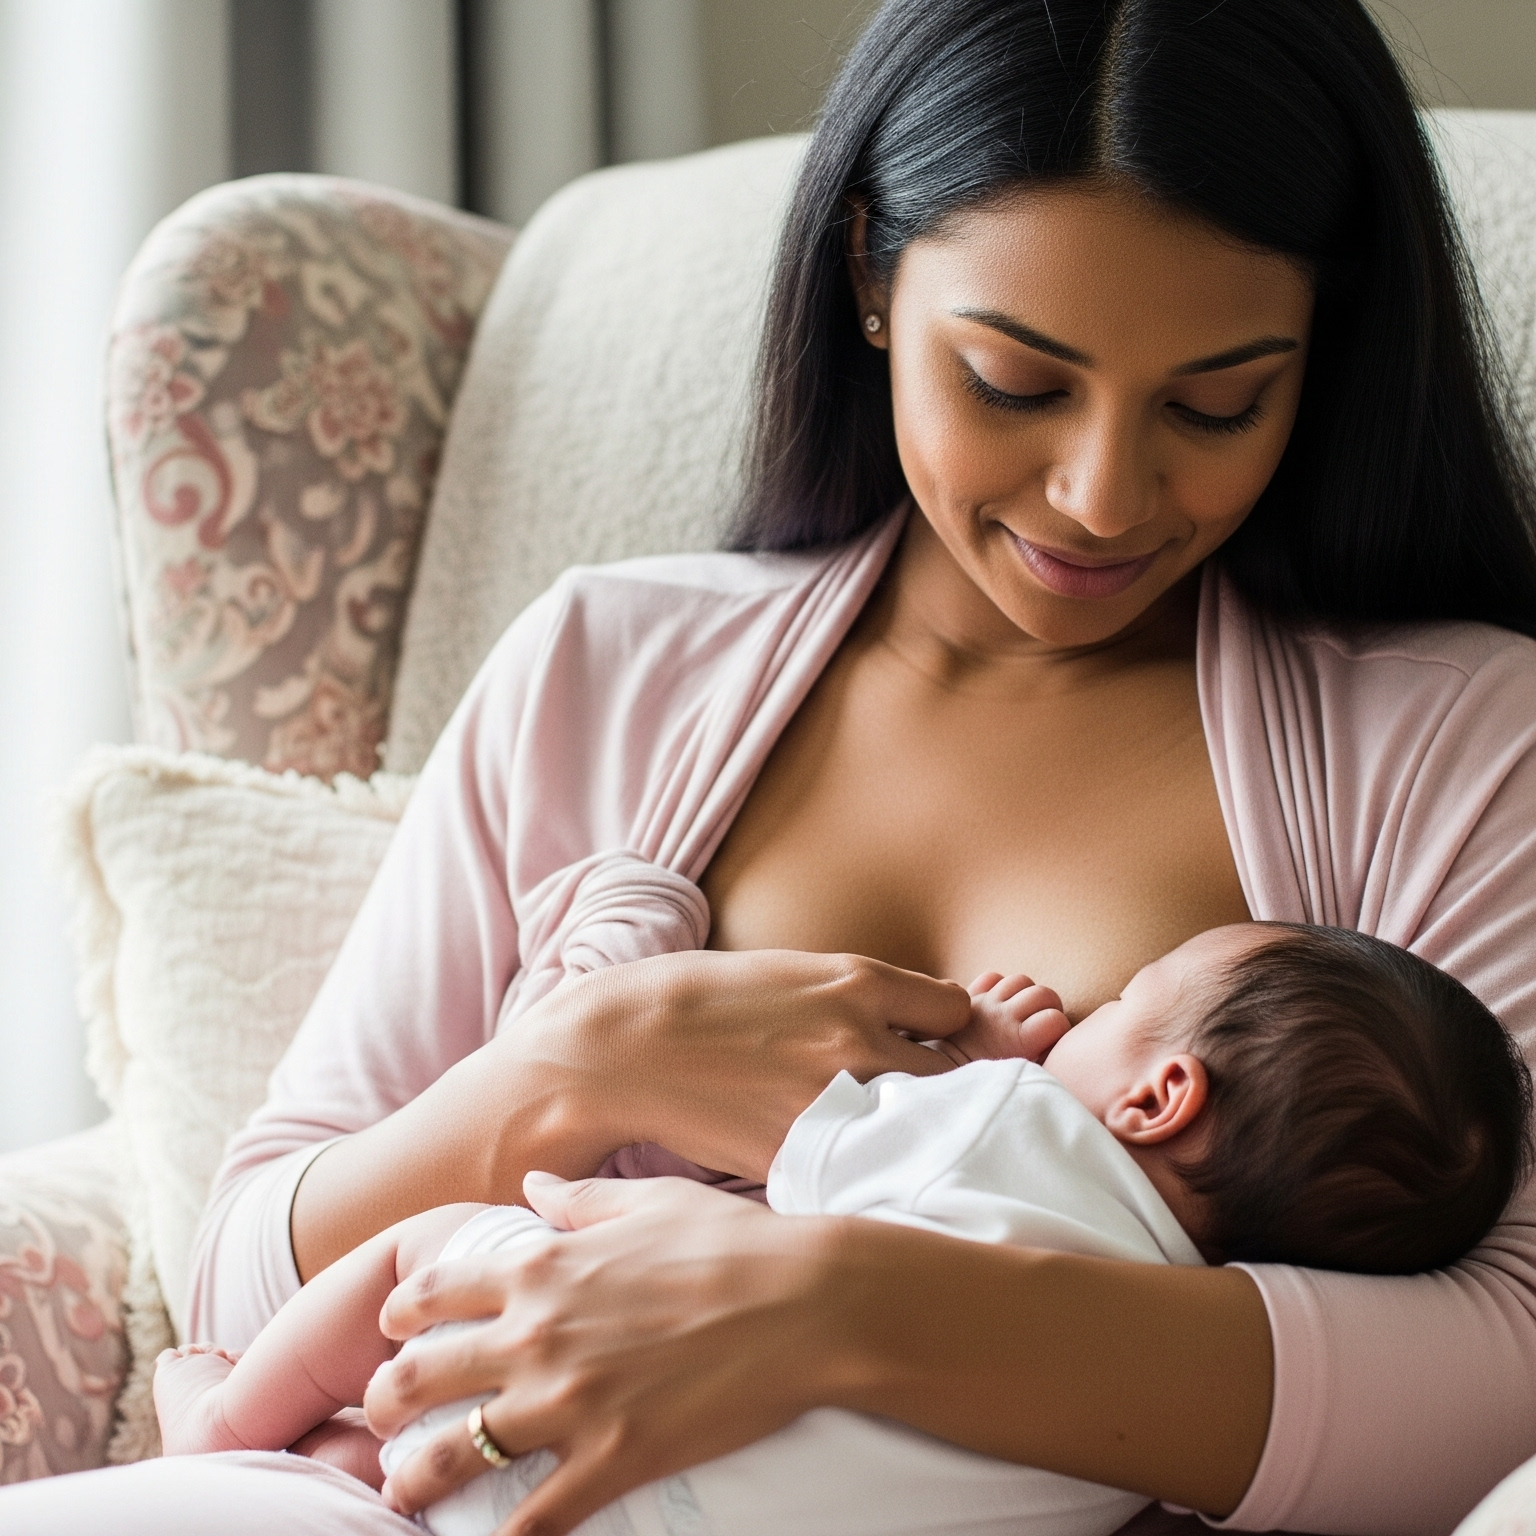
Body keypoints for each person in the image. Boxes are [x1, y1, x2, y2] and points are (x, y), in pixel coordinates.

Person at [8, 0, 1536, 1532]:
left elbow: (1509, 1352)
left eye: (1217, 403)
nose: (1099, 494)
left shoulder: (1460, 744)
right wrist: (574, 1068)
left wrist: (839, 1305)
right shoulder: (603, 667)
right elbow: (241, 1262)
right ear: (871, 272)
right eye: (1015, 383)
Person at [149, 924, 1532, 1536]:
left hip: (543, 1408)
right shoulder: (1151, 1448)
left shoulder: (1009, 1122)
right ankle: (331, 1457)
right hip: (670, 1510)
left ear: (1161, 1095)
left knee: (420, 1254)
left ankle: (224, 1422)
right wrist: (569, 1058)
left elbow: (815, 1135)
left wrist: (985, 1051)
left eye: (1126, 997)